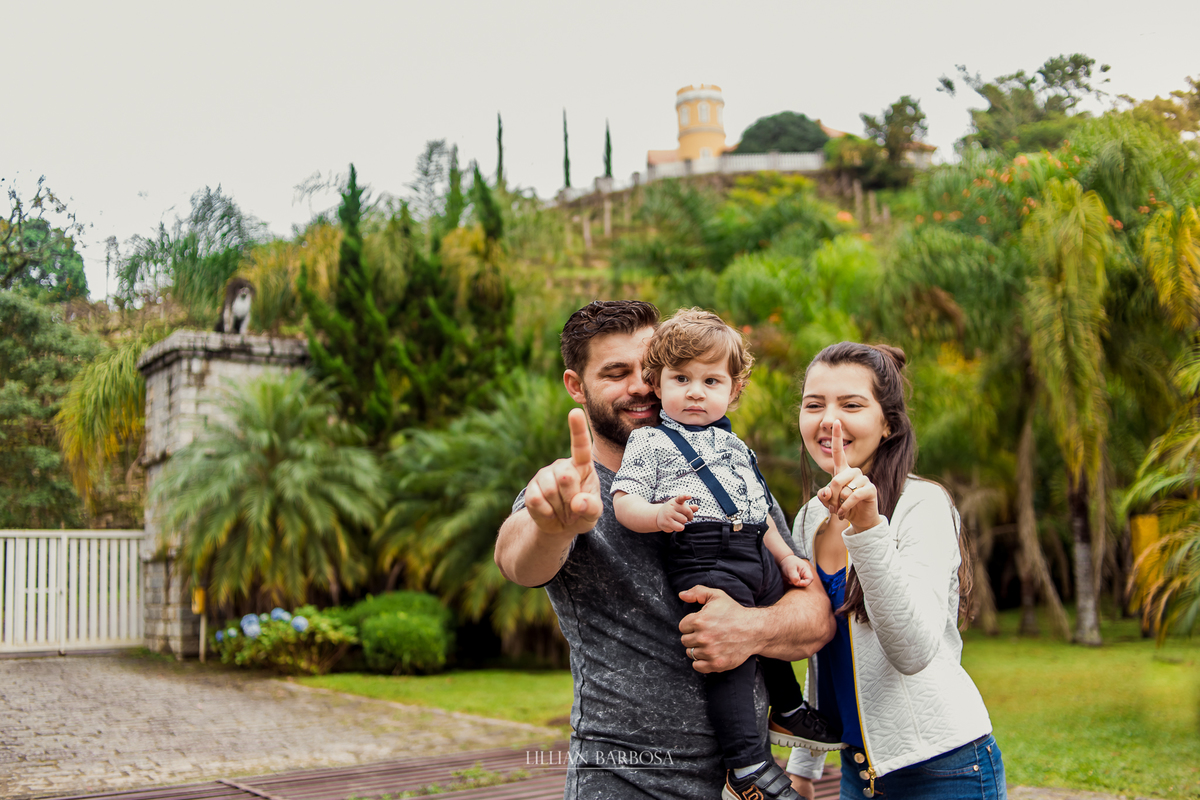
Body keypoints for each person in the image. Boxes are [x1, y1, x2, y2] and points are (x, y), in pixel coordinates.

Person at [494, 300, 836, 800]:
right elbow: (515, 558)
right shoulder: (571, 489)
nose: (640, 385)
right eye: (616, 372)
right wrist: (553, 528)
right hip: (627, 780)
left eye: (649, 367)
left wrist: (749, 628)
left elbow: (816, 616)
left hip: (744, 785)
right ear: (576, 386)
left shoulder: (725, 470)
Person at [610, 308, 843, 800]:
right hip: (704, 555)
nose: (696, 391)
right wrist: (658, 515)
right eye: (681, 378)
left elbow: (757, 513)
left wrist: (785, 559)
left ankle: (788, 705)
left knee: (774, 618)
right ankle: (747, 765)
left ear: (733, 390)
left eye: (711, 380)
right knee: (731, 651)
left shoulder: (736, 445)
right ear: (656, 383)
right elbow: (624, 501)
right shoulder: (650, 441)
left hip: (752, 549)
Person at [785, 342, 1006, 800]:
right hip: (859, 772)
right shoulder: (809, 518)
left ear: (887, 424)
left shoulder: (921, 504)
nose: (829, 420)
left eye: (851, 405)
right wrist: (805, 763)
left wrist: (868, 528)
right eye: (814, 405)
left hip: (943, 769)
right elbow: (823, 650)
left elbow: (913, 650)